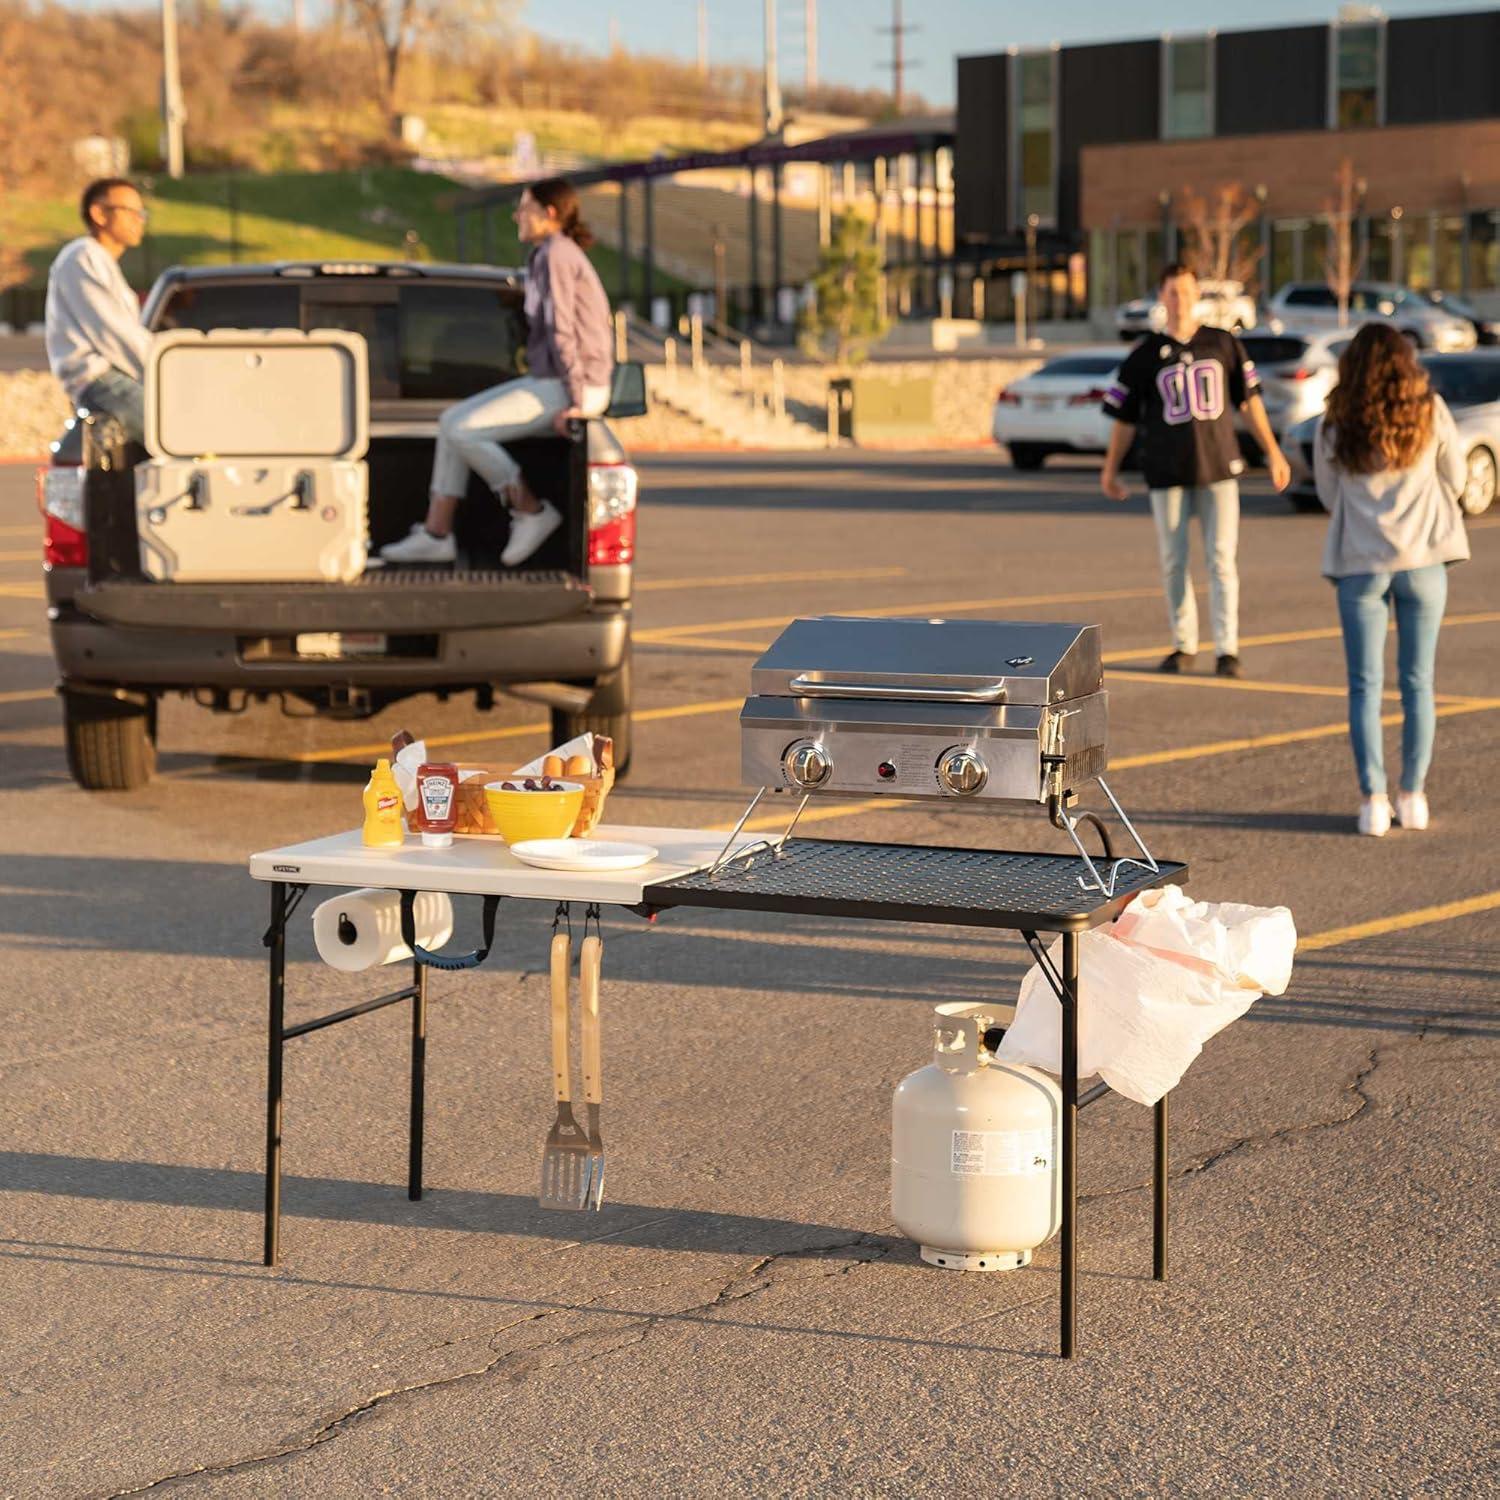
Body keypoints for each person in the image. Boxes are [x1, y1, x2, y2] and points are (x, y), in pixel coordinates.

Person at [382, 177, 614, 567]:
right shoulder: (546, 254)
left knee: (461, 428)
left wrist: (577, 404)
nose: (516, 216)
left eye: (524, 208)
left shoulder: (557, 254)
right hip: (554, 378)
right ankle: (437, 533)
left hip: (575, 383)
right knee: (451, 421)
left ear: (549, 213)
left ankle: (529, 511)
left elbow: (564, 331)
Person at [1314, 322, 1470, 837]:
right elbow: (1457, 478)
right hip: (1424, 561)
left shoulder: (1335, 420)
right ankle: (1413, 795)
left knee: (1364, 686)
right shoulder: (1429, 409)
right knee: (1418, 683)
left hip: (1361, 563)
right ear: (1407, 363)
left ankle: (1373, 802)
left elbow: (1327, 493)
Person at [1100, 262, 1291, 678]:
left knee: (1222, 559)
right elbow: (1124, 417)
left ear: (1197, 295)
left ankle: (1227, 649)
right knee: (1173, 560)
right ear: (1161, 296)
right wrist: (1110, 469)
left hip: (1219, 465)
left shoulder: (1223, 344)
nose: (1179, 299)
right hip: (1166, 470)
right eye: (1172, 292)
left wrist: (1274, 453)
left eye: (1186, 291)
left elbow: (1251, 403)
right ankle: (1183, 643)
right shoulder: (1145, 354)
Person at [44, 178, 152, 444]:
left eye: (142, 213)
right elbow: (115, 334)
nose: (140, 220)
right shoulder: (83, 256)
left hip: (113, 383)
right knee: (186, 434)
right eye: (131, 212)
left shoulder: (99, 261)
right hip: (103, 384)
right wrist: (164, 367)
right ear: (99, 214)